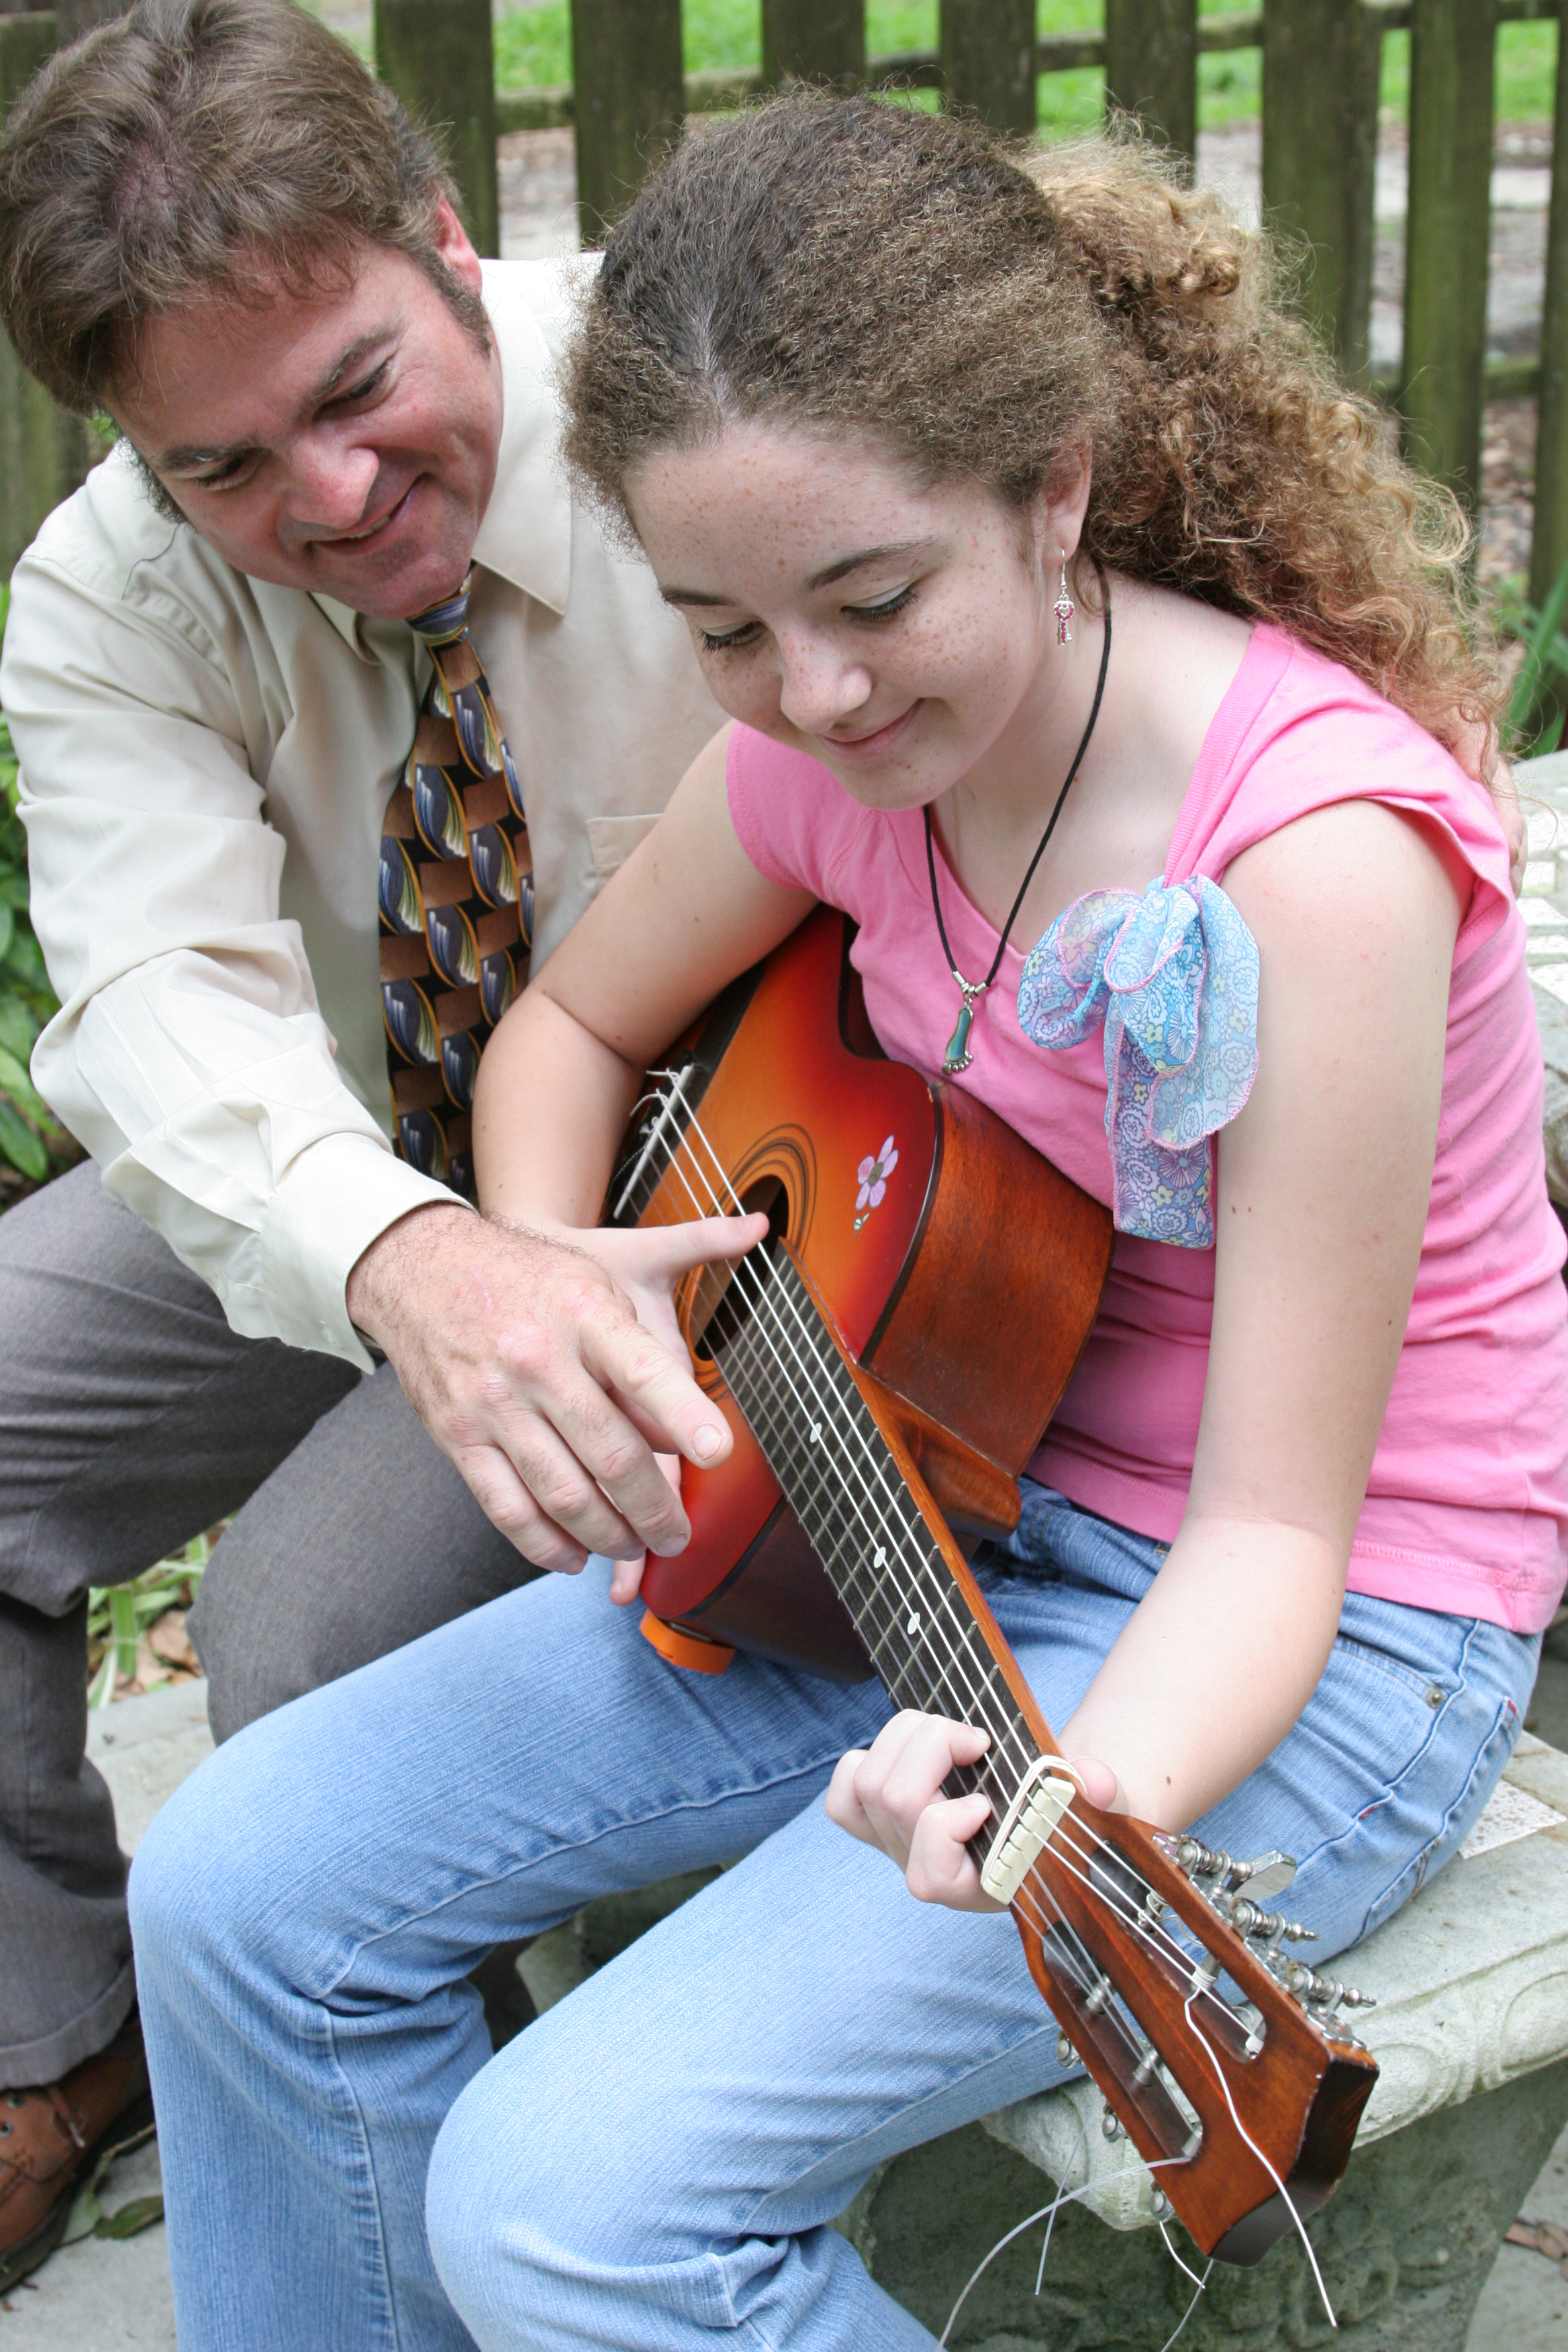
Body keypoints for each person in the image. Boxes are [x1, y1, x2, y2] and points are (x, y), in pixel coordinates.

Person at [128, 98, 1565, 2351]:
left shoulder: (1309, 863)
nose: (812, 694)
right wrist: (549, 1276)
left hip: (1313, 1628)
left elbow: (1278, 1539)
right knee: (231, 1887)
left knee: (570, 2206)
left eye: (875, 600)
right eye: (721, 629)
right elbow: (561, 1039)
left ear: (1057, 487)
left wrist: (1067, 1808)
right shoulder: (827, 750)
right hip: (911, 1473)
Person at [0, 0, 761, 2289]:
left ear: (449, 236)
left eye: (352, 389)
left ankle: (464, 2204)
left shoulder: (699, 395)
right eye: (223, 466)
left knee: (308, 1635)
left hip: (745, 1185)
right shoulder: (118, 590)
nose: (322, 501)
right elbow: (153, 1011)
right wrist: (413, 1264)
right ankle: (63, 2036)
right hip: (355, 1173)